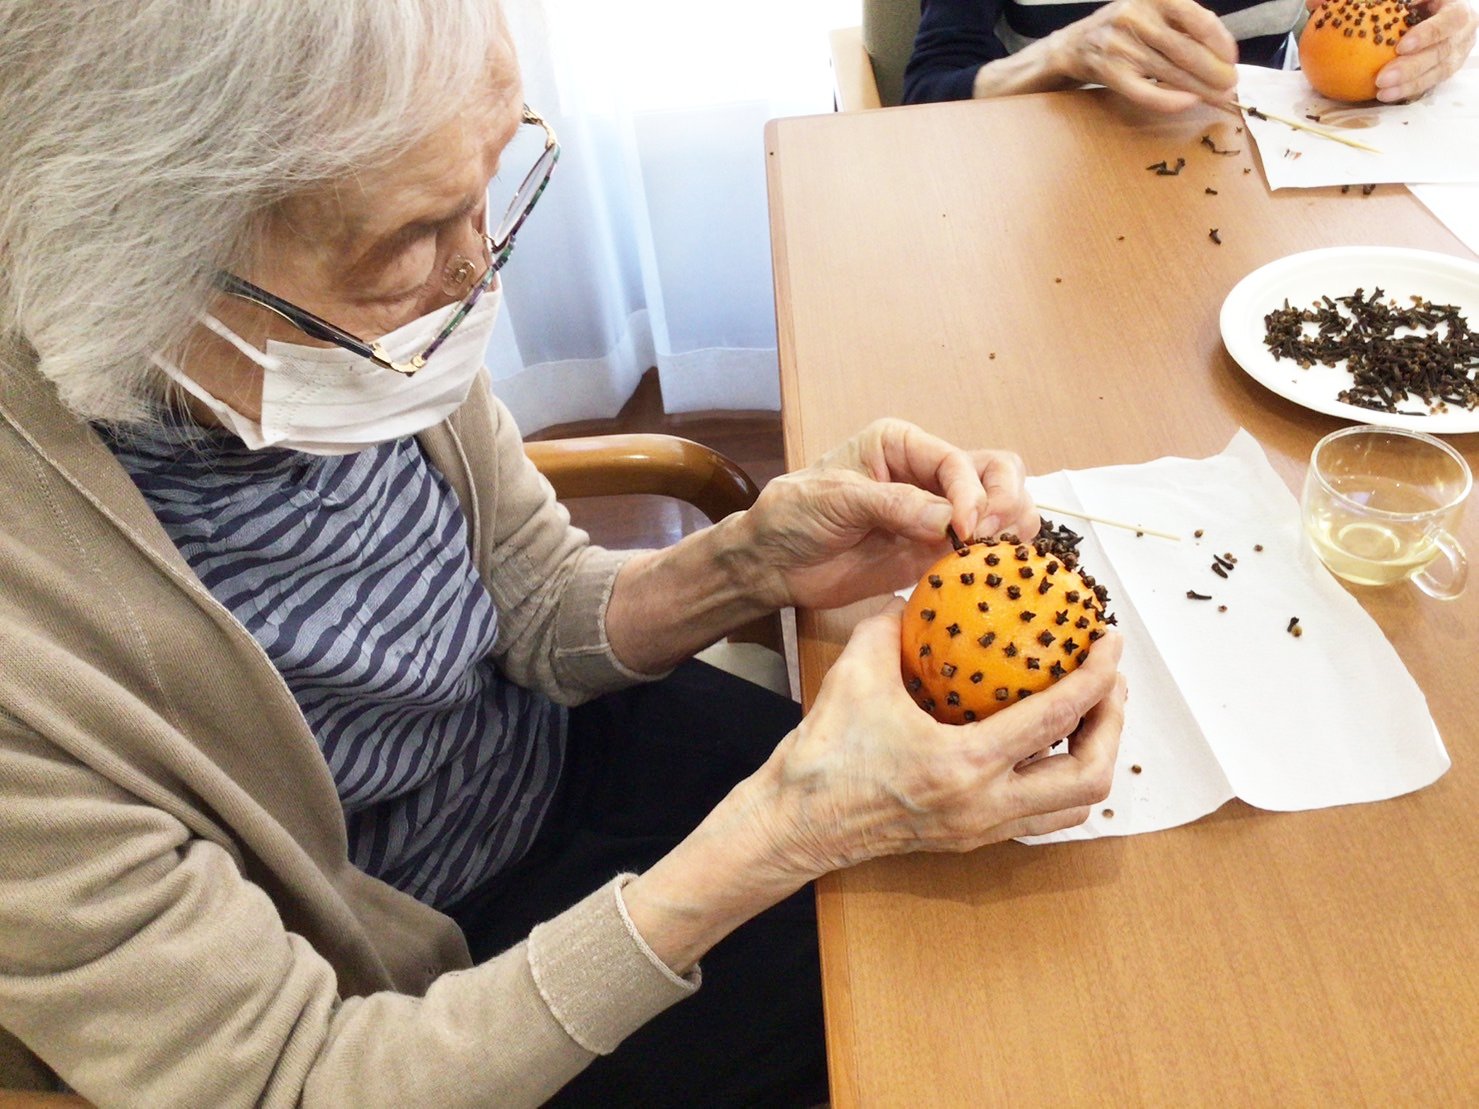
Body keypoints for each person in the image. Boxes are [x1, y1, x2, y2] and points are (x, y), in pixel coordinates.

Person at [0, 2, 1126, 1105]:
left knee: (1028, 914)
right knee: (959, 1035)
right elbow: (295, 1076)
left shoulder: (346, 334)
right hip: (429, 996)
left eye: (491, 177)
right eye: (406, 242)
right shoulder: (34, 660)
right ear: (141, 257)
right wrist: (783, 832)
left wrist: (750, 560)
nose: (474, 274)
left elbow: (530, 608)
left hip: (567, 755)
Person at [904, 0, 1478, 109]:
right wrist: (1063, 51)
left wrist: (1432, 34)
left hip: (1248, 180)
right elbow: (928, 93)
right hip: (1034, 183)